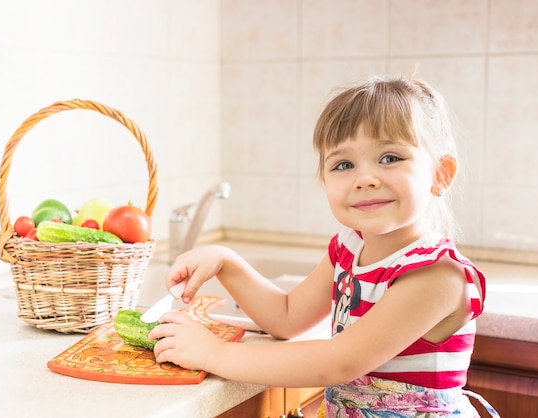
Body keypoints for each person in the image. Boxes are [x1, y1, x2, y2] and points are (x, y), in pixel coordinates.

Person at [149, 75, 500, 417]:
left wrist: (214, 354)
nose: (365, 179)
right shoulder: (348, 249)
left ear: (440, 174)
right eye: (344, 164)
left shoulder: (436, 274)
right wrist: (227, 263)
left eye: (390, 157)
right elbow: (286, 317)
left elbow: (339, 362)